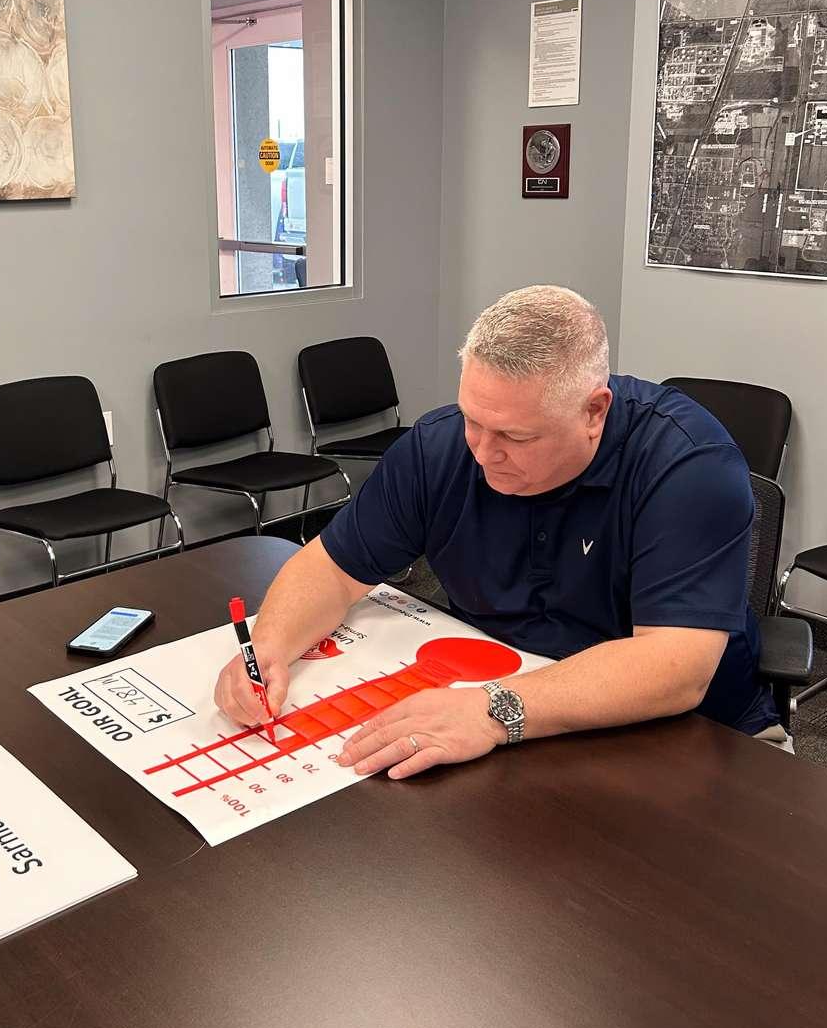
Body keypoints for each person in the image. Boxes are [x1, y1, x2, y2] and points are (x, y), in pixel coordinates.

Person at [213, 285, 784, 780]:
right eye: (472, 420)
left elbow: (675, 667)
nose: (483, 454)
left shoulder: (688, 465)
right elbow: (331, 569)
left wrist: (495, 710)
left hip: (691, 741)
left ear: (594, 411)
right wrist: (270, 646)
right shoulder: (439, 448)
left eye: (516, 437)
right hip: (506, 715)